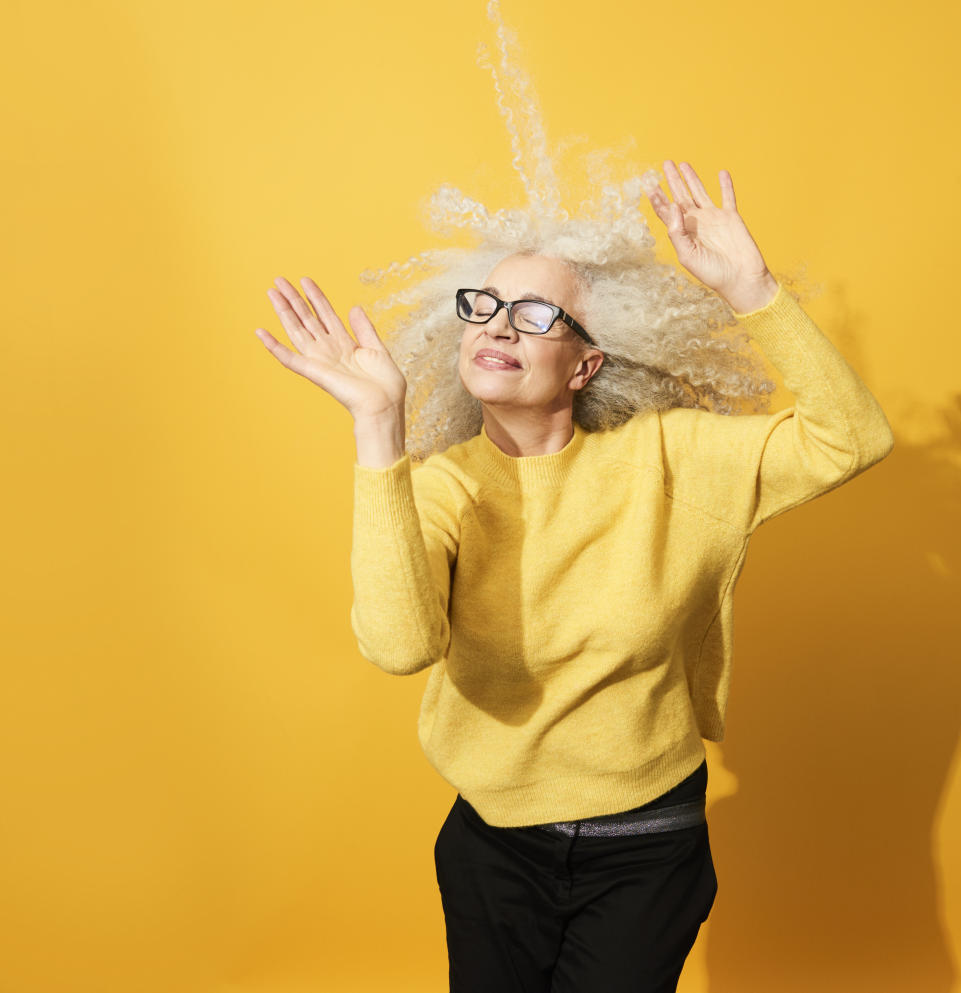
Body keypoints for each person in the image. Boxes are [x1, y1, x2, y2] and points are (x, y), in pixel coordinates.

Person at [254, 158, 895, 992]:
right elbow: (400, 646)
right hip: (493, 847)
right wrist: (379, 428)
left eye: (533, 313)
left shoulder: (671, 458)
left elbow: (852, 438)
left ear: (586, 366)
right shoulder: (443, 488)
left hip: (645, 849)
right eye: (483, 308)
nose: (497, 327)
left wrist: (752, 288)